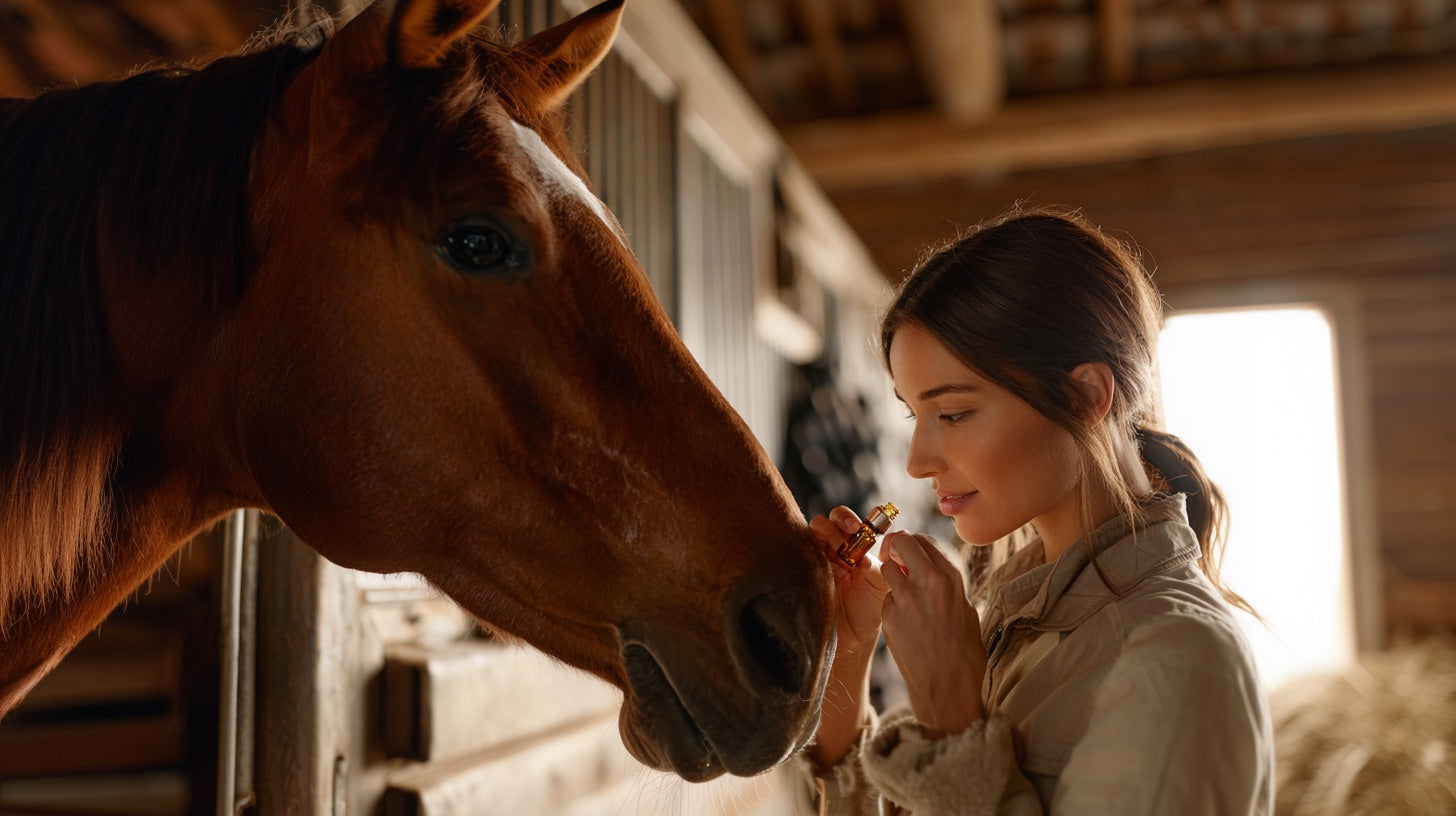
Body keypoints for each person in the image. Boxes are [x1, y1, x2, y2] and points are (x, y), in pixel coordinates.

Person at [800, 207, 1274, 814]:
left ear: (1085, 396)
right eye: (912, 416)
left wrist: (952, 722)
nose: (917, 462)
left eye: (953, 414)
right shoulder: (1018, 624)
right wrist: (847, 651)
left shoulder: (1175, 665)